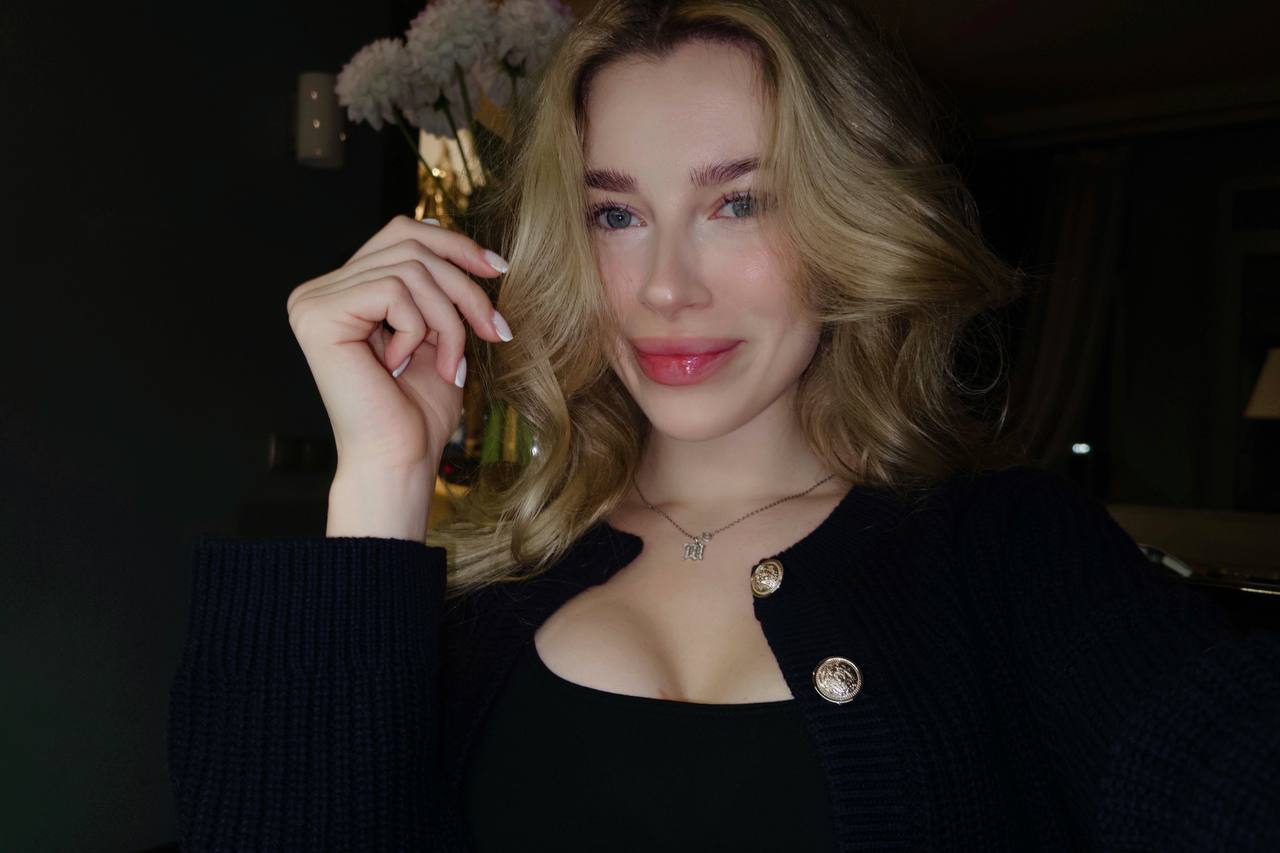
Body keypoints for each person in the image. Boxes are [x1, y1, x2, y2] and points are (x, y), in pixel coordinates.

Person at [167, 1, 1280, 850]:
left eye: (737, 201)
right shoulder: (481, 595)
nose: (664, 286)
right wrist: (381, 476)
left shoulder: (1011, 550)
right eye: (615, 213)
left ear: (848, 217)